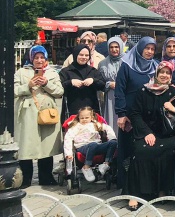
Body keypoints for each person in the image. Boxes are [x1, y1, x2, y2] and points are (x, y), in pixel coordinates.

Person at [126, 61, 175, 209]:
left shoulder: (174, 93)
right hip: (146, 132)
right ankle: (135, 194)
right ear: (156, 73)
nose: (164, 75)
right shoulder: (144, 91)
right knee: (141, 151)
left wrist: (174, 109)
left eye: (168, 73)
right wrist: (146, 132)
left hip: (167, 133)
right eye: (162, 72)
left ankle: (162, 190)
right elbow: (135, 113)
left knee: (166, 150)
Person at [14, 45, 63, 187]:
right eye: (36, 57)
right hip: (27, 113)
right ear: (31, 58)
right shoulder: (21, 72)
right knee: (26, 146)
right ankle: (26, 178)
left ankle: (46, 177)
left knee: (46, 146)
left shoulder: (52, 73)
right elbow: (14, 90)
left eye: (42, 57)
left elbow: (60, 91)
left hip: (47, 112)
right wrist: (28, 86)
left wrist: (47, 84)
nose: (39, 60)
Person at [114, 37, 159, 189]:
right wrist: (121, 114)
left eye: (152, 49)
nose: (149, 52)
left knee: (144, 149)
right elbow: (119, 91)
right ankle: (127, 185)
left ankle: (146, 184)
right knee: (129, 150)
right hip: (128, 115)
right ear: (140, 48)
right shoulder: (126, 66)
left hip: (148, 116)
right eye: (147, 48)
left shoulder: (156, 66)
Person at [63, 106, 117, 182]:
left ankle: (106, 164)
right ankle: (86, 166)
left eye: (86, 117)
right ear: (79, 118)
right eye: (82, 118)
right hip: (83, 147)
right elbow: (68, 138)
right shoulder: (76, 127)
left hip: (97, 146)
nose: (84, 120)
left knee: (113, 143)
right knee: (93, 144)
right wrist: (68, 153)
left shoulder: (95, 124)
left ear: (91, 118)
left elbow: (108, 128)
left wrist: (111, 137)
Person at [60, 44, 106, 115]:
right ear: (75, 55)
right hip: (71, 111)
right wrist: (70, 82)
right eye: (81, 55)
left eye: (86, 55)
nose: (84, 57)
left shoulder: (93, 71)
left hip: (91, 111)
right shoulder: (66, 71)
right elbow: (59, 88)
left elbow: (103, 86)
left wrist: (94, 81)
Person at [99, 37, 125, 134]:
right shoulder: (102, 63)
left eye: (117, 47)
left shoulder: (128, 61)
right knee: (111, 121)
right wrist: (108, 84)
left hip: (124, 95)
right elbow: (99, 82)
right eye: (111, 47)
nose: (114, 49)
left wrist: (121, 84)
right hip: (109, 97)